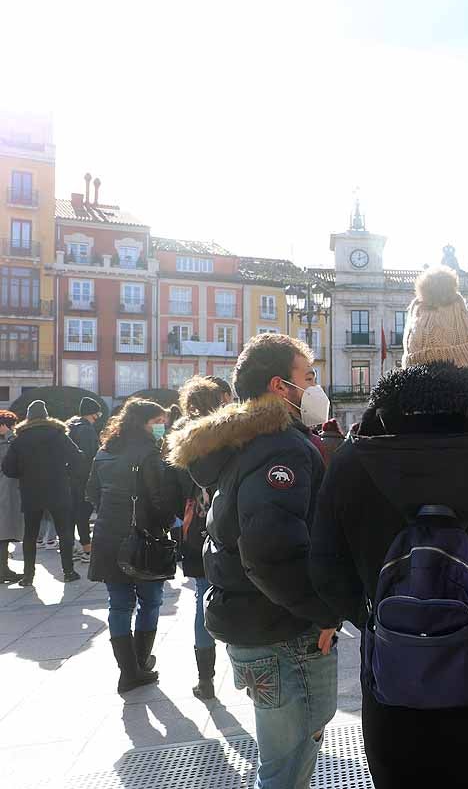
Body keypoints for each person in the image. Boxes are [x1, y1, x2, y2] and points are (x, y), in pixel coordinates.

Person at [308, 265, 468, 789]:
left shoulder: (355, 459)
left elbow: (325, 568)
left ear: (408, 360)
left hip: (398, 689)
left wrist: (386, 618)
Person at [167, 334, 340, 789]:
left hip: (253, 620)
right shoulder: (282, 446)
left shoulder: (247, 443)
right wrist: (324, 611)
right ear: (281, 386)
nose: (316, 387)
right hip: (283, 631)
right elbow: (270, 549)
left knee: (282, 758)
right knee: (289, 764)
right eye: (309, 377)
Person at [86, 399, 172, 693]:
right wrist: (169, 525)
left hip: (108, 535)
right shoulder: (149, 453)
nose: (162, 427)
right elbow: (159, 499)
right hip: (144, 537)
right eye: (157, 421)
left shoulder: (104, 450)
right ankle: (140, 662)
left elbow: (92, 493)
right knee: (150, 600)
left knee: (119, 605)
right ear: (144, 423)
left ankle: (128, 671)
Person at [168, 375, 227, 700]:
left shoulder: (180, 437)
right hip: (227, 524)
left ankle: (206, 679)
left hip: (193, 529)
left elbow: (170, 483)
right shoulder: (229, 433)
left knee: (201, 598)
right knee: (235, 592)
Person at [2, 400, 84, 585]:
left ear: (29, 418)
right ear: (46, 416)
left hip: (31, 491)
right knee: (64, 532)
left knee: (30, 535)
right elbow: (77, 457)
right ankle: (69, 571)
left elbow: (8, 468)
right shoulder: (58, 434)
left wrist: (23, 474)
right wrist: (67, 474)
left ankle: (28, 576)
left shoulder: (20, 439)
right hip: (58, 488)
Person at [67, 396, 102, 564]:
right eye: (98, 414)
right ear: (93, 413)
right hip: (85, 478)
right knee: (84, 512)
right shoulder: (86, 430)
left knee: (74, 513)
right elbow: (90, 456)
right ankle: (87, 549)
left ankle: (74, 547)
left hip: (71, 478)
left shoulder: (71, 427)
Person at [0, 411, 22, 583]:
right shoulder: (8, 442)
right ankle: (3, 571)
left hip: (6, 491)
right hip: (5, 491)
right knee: (4, 533)